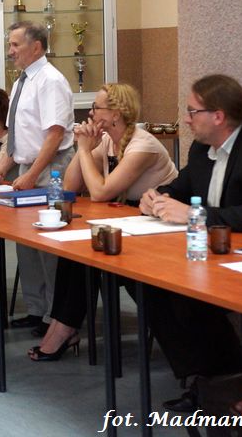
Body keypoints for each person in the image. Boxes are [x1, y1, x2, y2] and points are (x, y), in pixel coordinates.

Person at [138, 74, 242, 410]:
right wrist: (156, 197)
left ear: (218, 116)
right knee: (153, 284)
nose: (187, 119)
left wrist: (193, 214)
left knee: (189, 293)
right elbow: (180, 187)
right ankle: (210, 379)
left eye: (192, 111)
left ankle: (222, 378)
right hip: (221, 252)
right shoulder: (202, 150)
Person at [29, 83, 177, 361]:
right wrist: (83, 148)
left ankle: (64, 329)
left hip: (159, 231)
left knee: (85, 255)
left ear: (116, 114)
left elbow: (100, 192)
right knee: (73, 253)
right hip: (130, 223)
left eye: (96, 107)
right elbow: (71, 186)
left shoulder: (143, 145)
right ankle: (63, 326)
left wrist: (85, 150)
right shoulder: (108, 141)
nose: (91, 112)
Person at [0, 21, 74, 335]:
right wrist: (4, 165)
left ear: (36, 46)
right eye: (9, 45)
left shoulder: (50, 80)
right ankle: (36, 309)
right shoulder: (22, 81)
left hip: (50, 170)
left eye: (15, 45)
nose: (10, 51)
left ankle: (54, 315)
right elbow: (19, 133)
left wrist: (33, 175)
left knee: (48, 245)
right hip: (26, 167)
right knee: (26, 243)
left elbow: (54, 135)